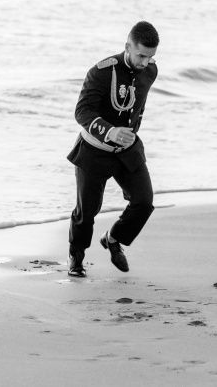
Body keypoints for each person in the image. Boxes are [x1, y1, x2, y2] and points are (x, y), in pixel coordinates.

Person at [66, 21, 159, 277]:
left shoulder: (150, 71)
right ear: (127, 46)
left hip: (127, 150)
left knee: (144, 202)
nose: (145, 62)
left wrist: (126, 134)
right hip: (94, 149)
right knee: (87, 212)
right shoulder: (101, 71)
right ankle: (76, 257)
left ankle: (114, 238)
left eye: (150, 57)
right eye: (141, 55)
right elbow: (82, 111)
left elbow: (135, 108)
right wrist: (110, 131)